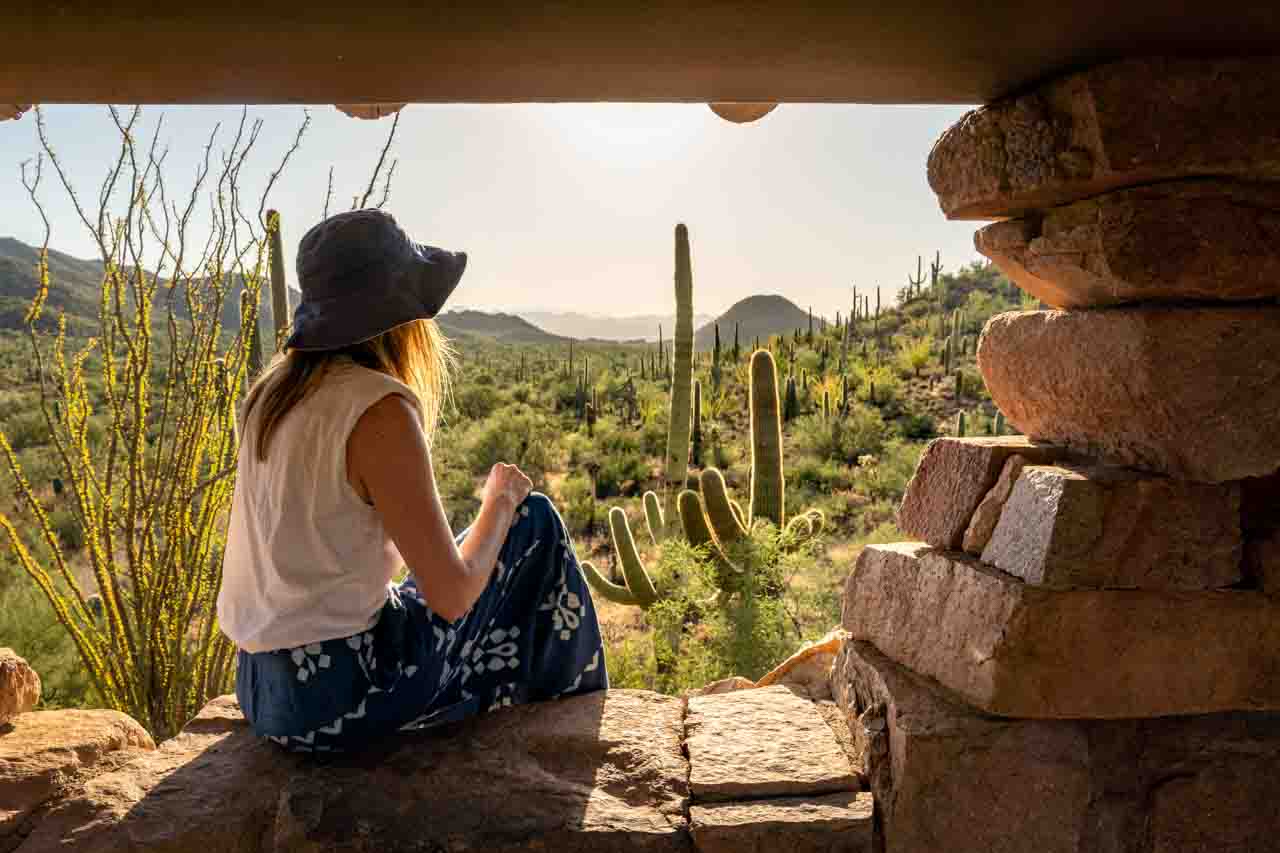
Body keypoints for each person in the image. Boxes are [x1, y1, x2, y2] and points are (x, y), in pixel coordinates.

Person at [217, 209, 608, 753]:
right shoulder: (377, 408)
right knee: (534, 521)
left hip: (263, 693)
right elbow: (449, 595)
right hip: (340, 698)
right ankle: (573, 730)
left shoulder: (270, 394)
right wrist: (498, 504)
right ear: (400, 315)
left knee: (412, 590)